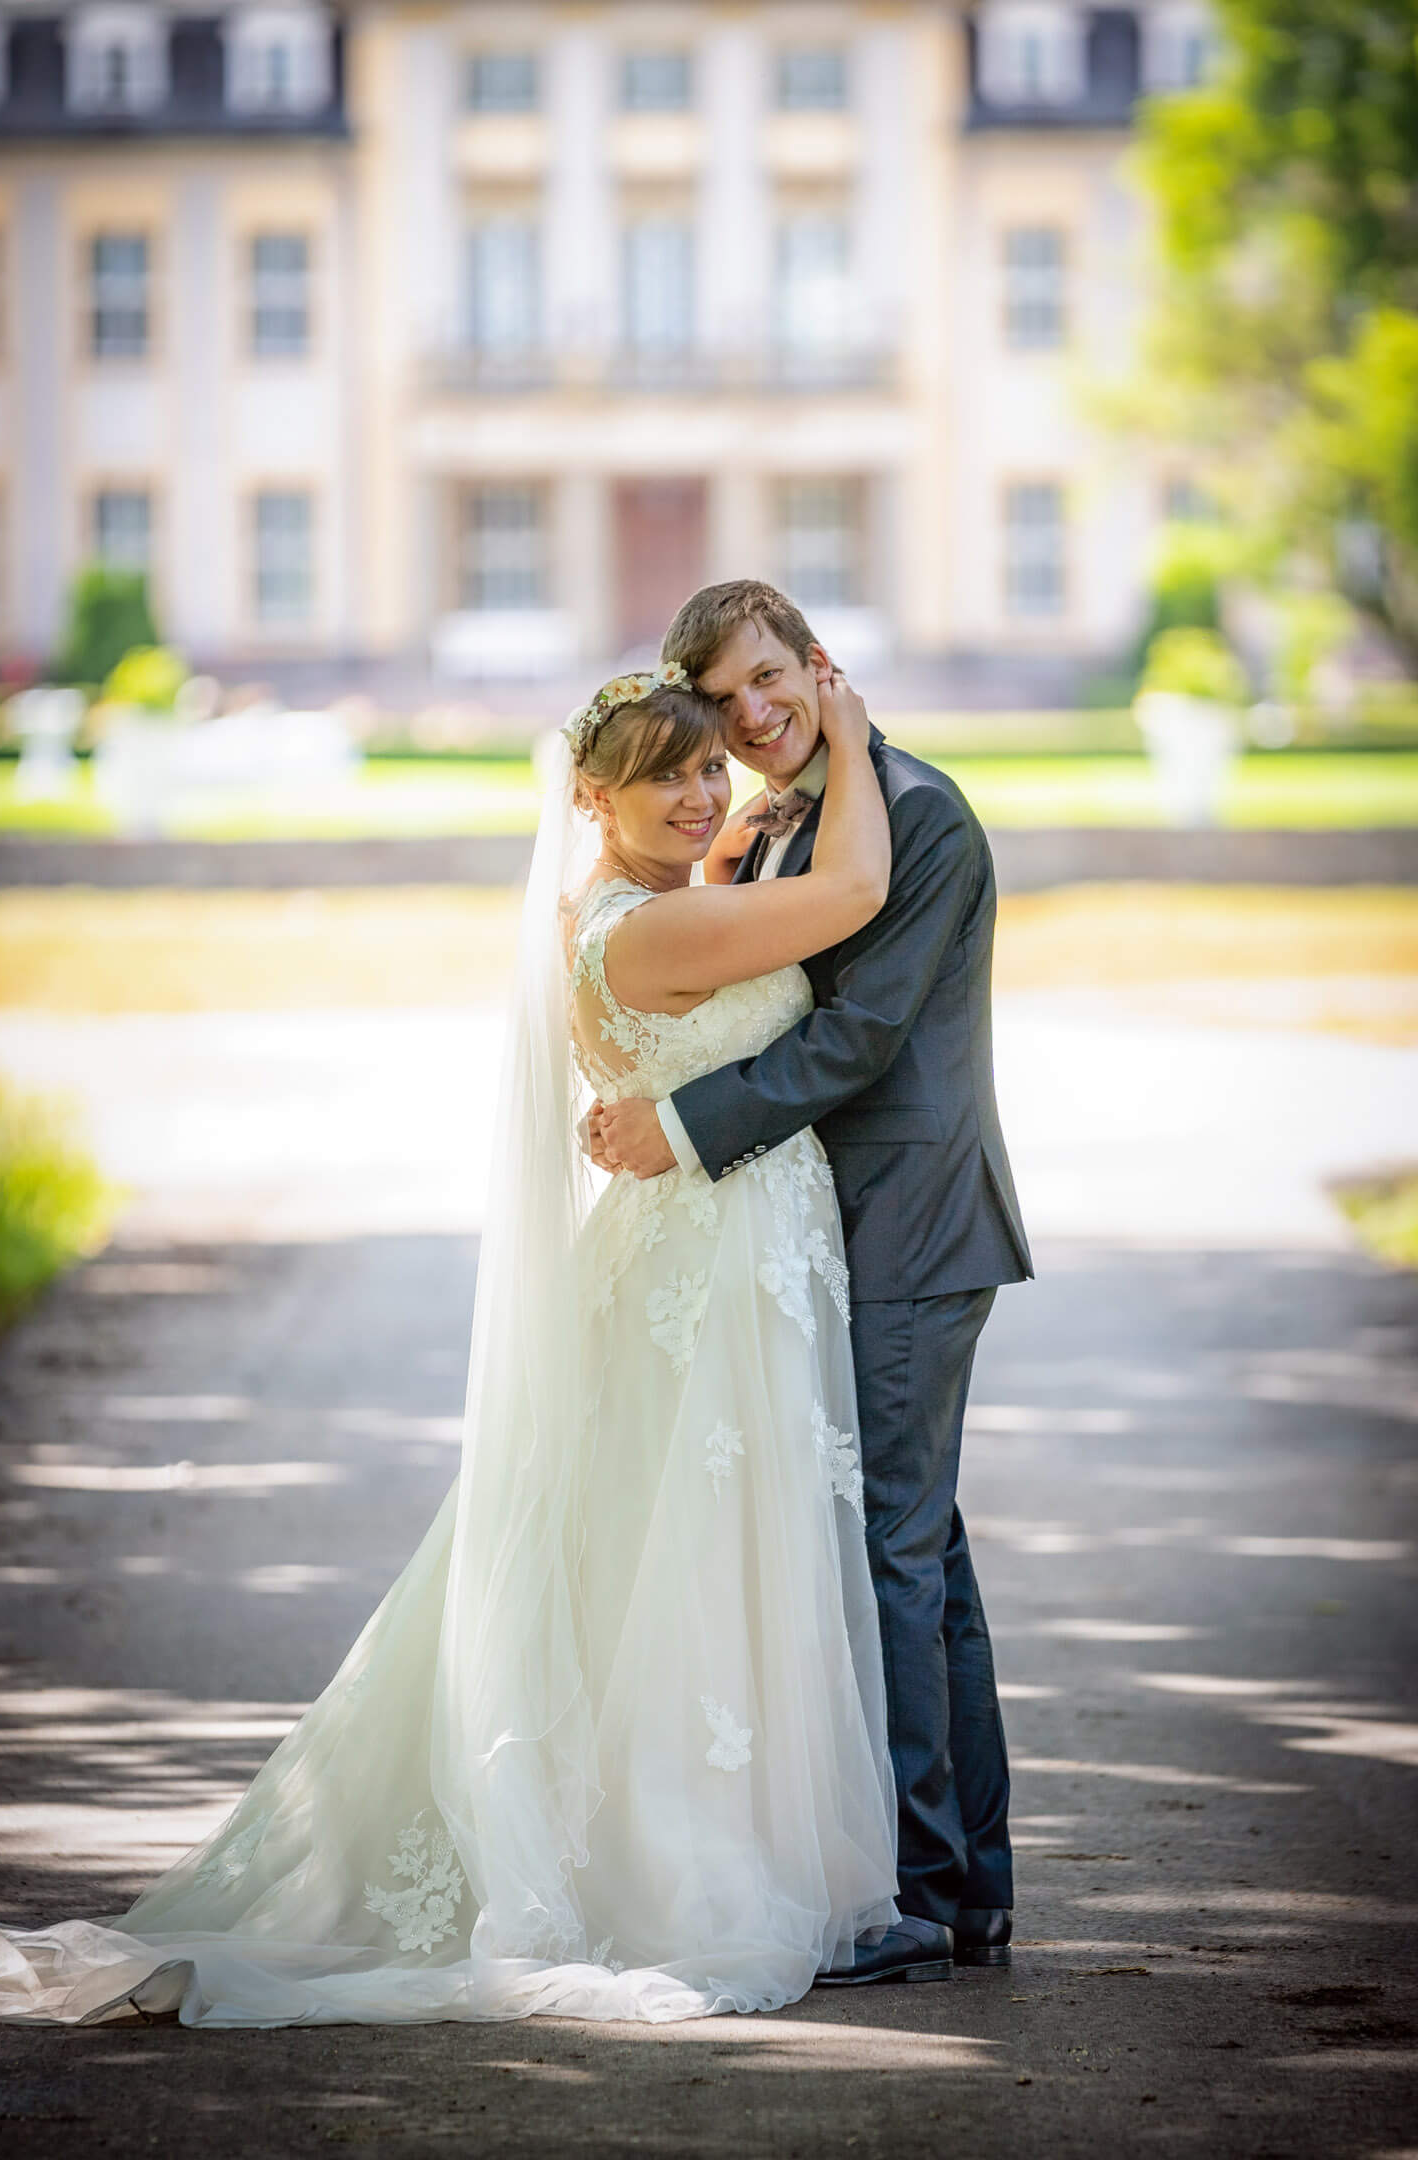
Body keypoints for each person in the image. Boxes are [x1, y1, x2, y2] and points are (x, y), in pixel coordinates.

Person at [0, 658, 930, 2030]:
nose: (701, 794)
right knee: (694, 1562)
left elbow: (710, 860)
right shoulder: (653, 935)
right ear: (590, 794)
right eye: (666, 772)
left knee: (676, 1562)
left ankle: (722, 1833)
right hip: (708, 1279)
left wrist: (722, 814)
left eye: (708, 764)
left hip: (715, 1261)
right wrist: (837, 725)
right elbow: (845, 899)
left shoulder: (622, 903)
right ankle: (687, 1861)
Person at [595, 581, 1033, 1984]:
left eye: (771, 678)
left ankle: (913, 1894)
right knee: (923, 1547)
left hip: (908, 1226)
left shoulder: (920, 814)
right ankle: (965, 1884)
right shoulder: (779, 820)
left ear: (819, 665)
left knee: (891, 1555)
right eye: (724, 700)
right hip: (831, 1232)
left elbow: (853, 1042)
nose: (754, 713)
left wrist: (673, 1128)